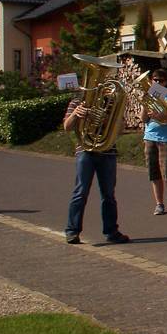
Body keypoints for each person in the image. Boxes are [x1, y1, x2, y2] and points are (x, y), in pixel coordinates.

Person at [63, 96, 129, 245]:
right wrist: (76, 114)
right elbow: (67, 126)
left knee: (108, 194)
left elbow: (121, 129)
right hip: (85, 150)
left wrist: (105, 119)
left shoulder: (112, 102)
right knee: (80, 192)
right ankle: (72, 231)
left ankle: (111, 231)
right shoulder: (76, 102)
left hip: (107, 151)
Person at [142, 68, 167, 215]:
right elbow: (143, 119)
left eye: (160, 80)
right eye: (155, 80)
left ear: (165, 82)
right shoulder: (149, 96)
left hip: (166, 139)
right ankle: (159, 204)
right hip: (150, 137)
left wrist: (161, 116)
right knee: (154, 174)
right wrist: (145, 104)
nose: (157, 83)